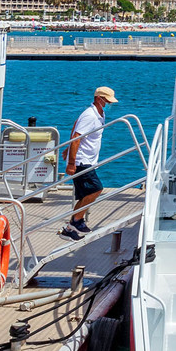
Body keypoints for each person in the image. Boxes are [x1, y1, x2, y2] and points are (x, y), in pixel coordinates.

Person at [62, 84, 117, 238]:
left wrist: (67, 149)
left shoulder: (99, 114)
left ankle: (71, 228)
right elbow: (76, 137)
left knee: (85, 195)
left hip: (89, 160)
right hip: (81, 161)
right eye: (107, 101)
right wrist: (71, 163)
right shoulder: (90, 115)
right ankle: (76, 222)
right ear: (99, 99)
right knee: (96, 189)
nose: (109, 104)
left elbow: (76, 125)